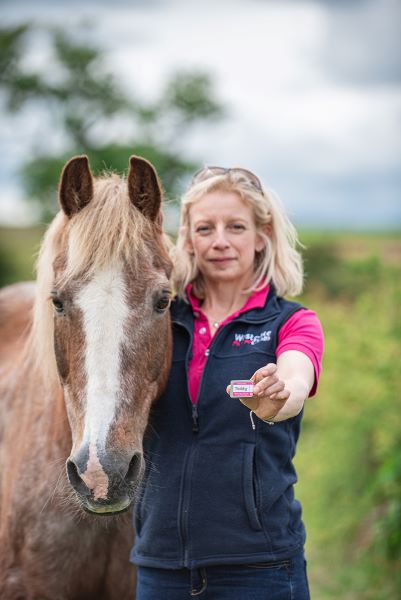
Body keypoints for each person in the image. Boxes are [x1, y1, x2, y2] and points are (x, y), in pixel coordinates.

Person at [131, 166, 324, 599]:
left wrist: (277, 396)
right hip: (160, 567)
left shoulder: (292, 322)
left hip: (260, 567)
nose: (220, 240)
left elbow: (294, 382)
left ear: (261, 235)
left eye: (236, 226)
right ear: (189, 239)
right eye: (205, 228)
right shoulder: (159, 320)